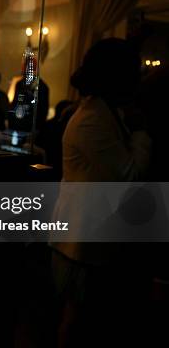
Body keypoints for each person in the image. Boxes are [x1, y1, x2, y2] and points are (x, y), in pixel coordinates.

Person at [51, 38, 152, 347]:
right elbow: (130, 176)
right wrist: (142, 133)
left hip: (88, 238)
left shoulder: (103, 112)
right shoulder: (94, 118)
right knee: (76, 323)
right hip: (81, 242)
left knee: (86, 322)